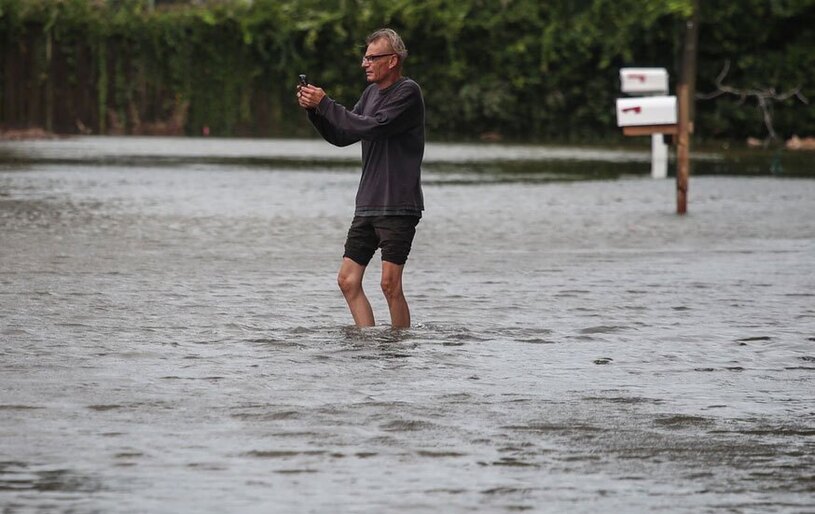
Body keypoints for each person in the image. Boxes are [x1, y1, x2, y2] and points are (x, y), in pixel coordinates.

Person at [297, 28, 425, 329]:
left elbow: (373, 127)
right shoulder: (369, 94)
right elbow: (344, 135)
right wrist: (315, 112)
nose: (364, 63)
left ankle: (397, 349)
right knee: (347, 281)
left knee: (390, 285)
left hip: (398, 206)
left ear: (392, 61)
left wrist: (326, 103)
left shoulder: (408, 93)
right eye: (364, 57)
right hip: (367, 204)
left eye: (371, 57)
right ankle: (368, 343)